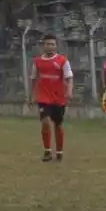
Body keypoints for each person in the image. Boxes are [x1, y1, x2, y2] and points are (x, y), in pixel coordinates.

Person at [28, 34, 74, 162]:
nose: (50, 46)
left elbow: (69, 77)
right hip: (43, 97)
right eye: (47, 44)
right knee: (45, 122)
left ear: (56, 46)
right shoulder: (37, 61)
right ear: (43, 46)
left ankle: (59, 151)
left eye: (52, 44)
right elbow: (33, 79)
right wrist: (31, 96)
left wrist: (69, 91)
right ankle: (47, 151)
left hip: (58, 98)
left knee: (58, 125)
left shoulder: (62, 61)